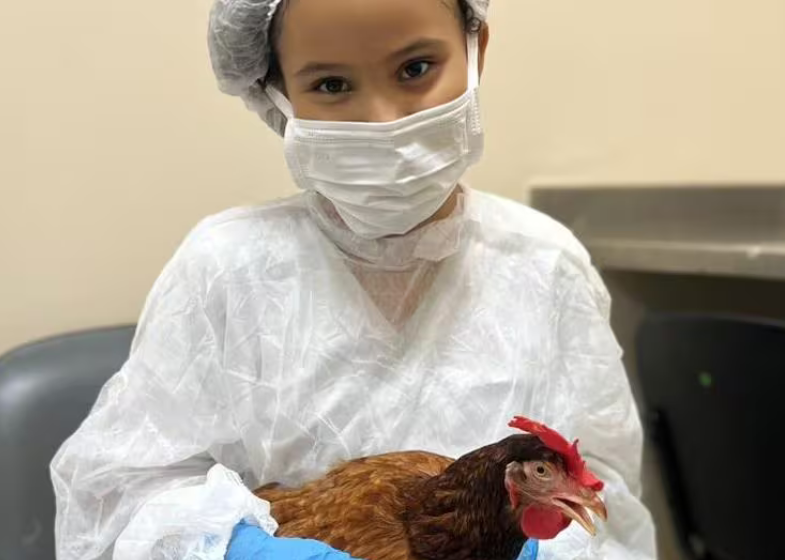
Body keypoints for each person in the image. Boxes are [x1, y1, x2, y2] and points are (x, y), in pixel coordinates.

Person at [50, 0, 657, 559]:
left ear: (478, 52)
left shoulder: (546, 266)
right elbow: (118, 500)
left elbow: (607, 505)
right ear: (277, 95)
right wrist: (235, 548)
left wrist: (544, 548)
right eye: (332, 84)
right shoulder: (226, 268)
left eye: (416, 67)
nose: (384, 119)